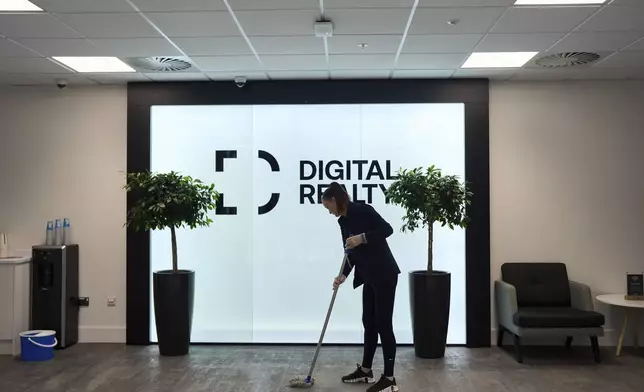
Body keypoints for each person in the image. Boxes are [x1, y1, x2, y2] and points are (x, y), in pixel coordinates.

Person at [321, 182, 401, 392]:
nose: (329, 212)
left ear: (335, 200)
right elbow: (350, 252)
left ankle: (390, 378)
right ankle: (366, 371)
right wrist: (343, 275)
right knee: (369, 322)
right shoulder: (343, 222)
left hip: (384, 274)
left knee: (384, 324)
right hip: (369, 276)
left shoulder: (363, 210)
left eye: (328, 206)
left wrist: (362, 238)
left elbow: (387, 229)